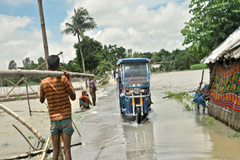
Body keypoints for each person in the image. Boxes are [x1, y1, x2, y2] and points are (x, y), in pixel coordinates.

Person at [40, 55, 76, 160]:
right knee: (67, 151)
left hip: (54, 120)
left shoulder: (44, 83)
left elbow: (42, 100)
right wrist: (69, 80)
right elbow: (73, 97)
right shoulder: (64, 79)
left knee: (55, 150)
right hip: (65, 118)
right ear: (59, 66)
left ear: (47, 67)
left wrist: (47, 93)